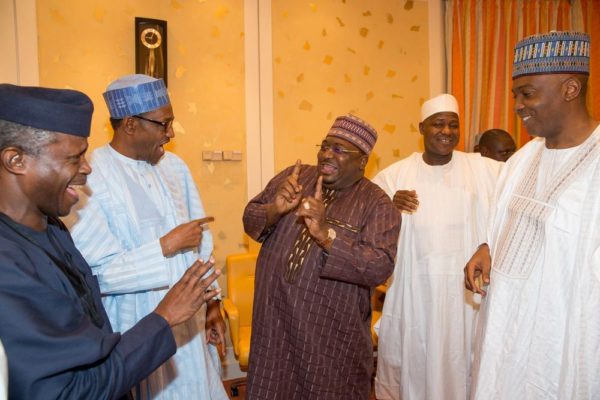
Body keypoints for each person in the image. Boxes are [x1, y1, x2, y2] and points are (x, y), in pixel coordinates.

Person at [0, 83, 220, 400]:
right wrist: (164, 309)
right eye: (74, 158)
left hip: (133, 356)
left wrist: (212, 302)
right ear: (16, 160)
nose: (86, 168)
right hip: (135, 335)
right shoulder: (9, 267)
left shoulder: (53, 229)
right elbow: (65, 388)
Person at [66, 74, 228, 399]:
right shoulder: (92, 174)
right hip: (135, 325)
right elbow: (95, 274)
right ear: (130, 124)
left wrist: (212, 303)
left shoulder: (176, 168)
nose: (170, 134)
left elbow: (201, 241)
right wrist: (165, 247)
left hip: (190, 325)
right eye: (163, 124)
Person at [464, 31, 600, 398]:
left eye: (528, 94)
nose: (518, 106)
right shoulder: (521, 160)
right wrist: (486, 246)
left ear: (570, 89)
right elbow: (504, 225)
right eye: (515, 96)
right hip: (504, 334)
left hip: (560, 346)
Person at [243, 115, 401, 399]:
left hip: (328, 339)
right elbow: (250, 219)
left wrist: (326, 234)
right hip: (274, 326)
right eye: (325, 146)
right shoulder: (295, 176)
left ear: (363, 161)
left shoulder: (377, 204)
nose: (327, 154)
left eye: (340, 150)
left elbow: (379, 267)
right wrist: (274, 210)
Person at [372, 94, 501, 400]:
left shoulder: (482, 168)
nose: (446, 131)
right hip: (416, 294)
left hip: (465, 296)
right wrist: (389, 206)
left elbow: (512, 203)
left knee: (465, 360)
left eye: (453, 125)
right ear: (421, 128)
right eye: (438, 124)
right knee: (416, 361)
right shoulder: (395, 175)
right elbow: (363, 219)